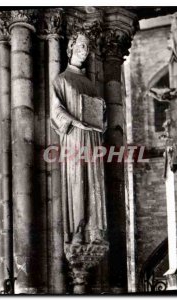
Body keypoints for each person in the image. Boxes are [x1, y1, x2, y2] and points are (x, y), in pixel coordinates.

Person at [50, 32, 107, 245]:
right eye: (81, 46)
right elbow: (56, 111)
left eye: (87, 47)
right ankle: (78, 230)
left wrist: (102, 112)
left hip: (93, 138)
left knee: (94, 179)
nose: (85, 51)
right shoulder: (62, 80)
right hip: (74, 137)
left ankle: (95, 229)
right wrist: (75, 121)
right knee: (78, 179)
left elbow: (103, 116)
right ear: (71, 48)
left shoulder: (90, 84)